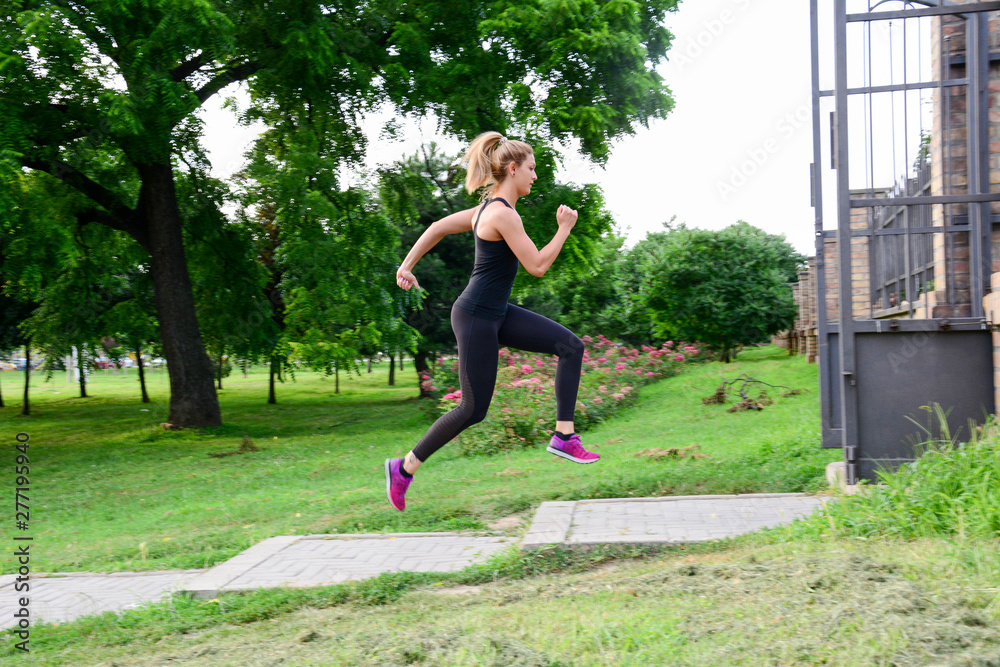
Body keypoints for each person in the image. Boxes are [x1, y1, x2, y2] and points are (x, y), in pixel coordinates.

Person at [384, 131, 599, 512]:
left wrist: (406, 265)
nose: (535, 176)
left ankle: (564, 436)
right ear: (513, 169)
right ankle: (403, 468)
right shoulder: (500, 213)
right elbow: (537, 266)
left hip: (495, 313)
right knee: (472, 409)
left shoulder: (486, 211)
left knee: (571, 346)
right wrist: (564, 228)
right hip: (476, 316)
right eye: (532, 169)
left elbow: (436, 228)